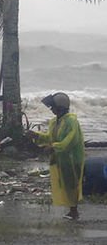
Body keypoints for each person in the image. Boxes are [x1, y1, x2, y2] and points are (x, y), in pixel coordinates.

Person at [25, 92, 85, 220]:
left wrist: (54, 147)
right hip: (60, 158)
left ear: (61, 107)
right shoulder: (54, 122)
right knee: (64, 183)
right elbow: (50, 138)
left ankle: (74, 212)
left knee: (71, 184)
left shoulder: (71, 121)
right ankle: (71, 211)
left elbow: (70, 140)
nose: (52, 109)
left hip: (72, 158)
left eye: (53, 107)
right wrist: (37, 136)